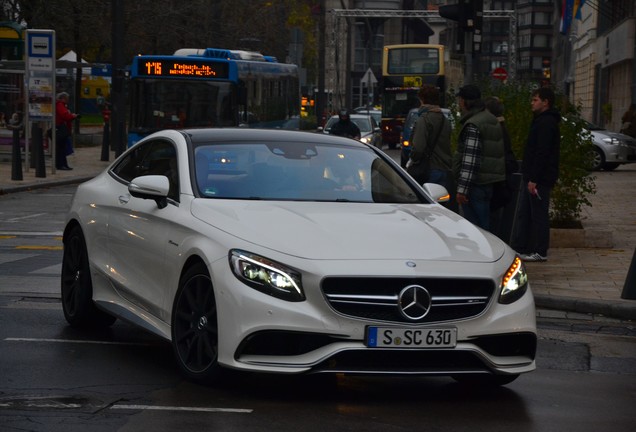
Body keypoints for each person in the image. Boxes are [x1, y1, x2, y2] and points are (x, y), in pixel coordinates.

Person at [512, 87, 561, 262]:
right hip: (532, 176)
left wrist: (534, 179)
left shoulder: (546, 123)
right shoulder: (540, 120)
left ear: (545, 102)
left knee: (538, 214)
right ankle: (521, 247)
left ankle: (540, 251)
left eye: (535, 100)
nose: (532, 103)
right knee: (525, 213)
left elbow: (542, 152)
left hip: (539, 178)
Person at [453, 84, 506, 231]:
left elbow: (471, 159)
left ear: (464, 102)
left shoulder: (473, 124)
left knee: (477, 229)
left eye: (460, 100)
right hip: (489, 181)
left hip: (475, 185)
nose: (459, 104)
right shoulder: (490, 119)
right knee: (487, 224)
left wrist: (462, 189)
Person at [406, 84, 455, 209]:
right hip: (444, 169)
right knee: (441, 208)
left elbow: (418, 148)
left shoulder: (424, 119)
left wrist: (412, 159)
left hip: (428, 170)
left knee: (426, 209)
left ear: (421, 99)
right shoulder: (445, 120)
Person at [484, 96, 519, 238]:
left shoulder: (494, 128)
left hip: (496, 178)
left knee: (491, 217)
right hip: (502, 178)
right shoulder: (502, 126)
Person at [55, 92, 79, 170]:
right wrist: (72, 116)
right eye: (66, 98)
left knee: (62, 147)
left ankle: (64, 164)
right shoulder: (60, 105)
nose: (68, 100)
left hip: (63, 127)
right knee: (61, 147)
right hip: (61, 128)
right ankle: (61, 164)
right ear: (63, 98)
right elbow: (64, 115)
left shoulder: (62, 105)